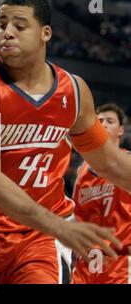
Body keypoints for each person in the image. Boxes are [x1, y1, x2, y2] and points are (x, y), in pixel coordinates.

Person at [0, 0, 131, 283]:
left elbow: (109, 162)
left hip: (36, 240)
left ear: (45, 33)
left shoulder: (74, 91)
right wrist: (60, 226)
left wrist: (54, 228)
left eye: (19, 26)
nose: (7, 33)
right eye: (1, 24)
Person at [71, 103, 131, 284]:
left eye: (110, 121)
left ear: (121, 130)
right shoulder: (81, 170)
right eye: (100, 121)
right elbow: (78, 215)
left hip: (120, 261)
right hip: (85, 262)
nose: (103, 124)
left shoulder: (127, 161)